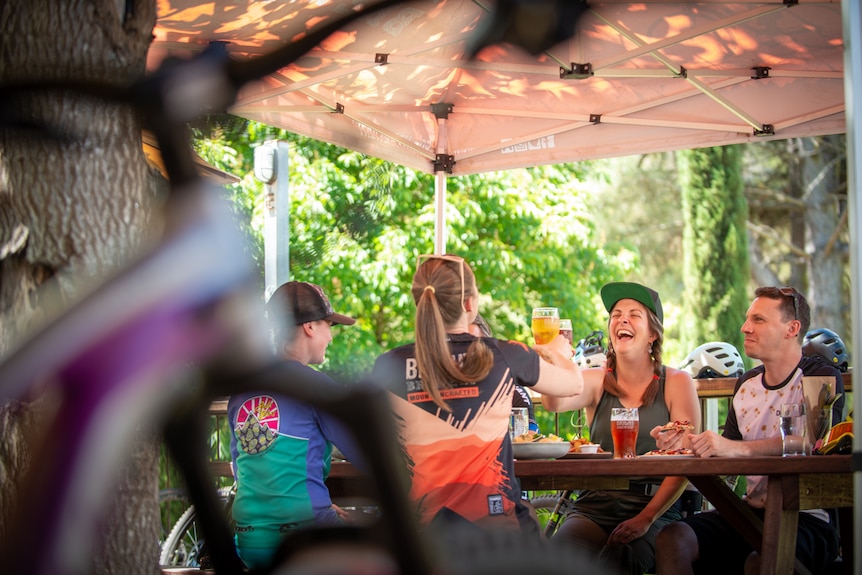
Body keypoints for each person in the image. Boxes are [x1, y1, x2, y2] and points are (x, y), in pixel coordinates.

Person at [371, 253, 583, 535]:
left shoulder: (388, 365)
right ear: (470, 304)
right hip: (494, 531)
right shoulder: (506, 354)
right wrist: (559, 352)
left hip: (418, 535)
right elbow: (573, 384)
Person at [654, 286, 845, 575]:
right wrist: (688, 444)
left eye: (759, 320)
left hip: (808, 518)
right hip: (749, 515)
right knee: (672, 538)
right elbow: (726, 462)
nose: (745, 328)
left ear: (791, 329)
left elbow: (812, 442)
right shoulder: (746, 384)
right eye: (747, 319)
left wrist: (735, 448)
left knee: (762, 562)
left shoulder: (820, 375)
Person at [541, 281, 700, 575]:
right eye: (616, 314)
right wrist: (553, 356)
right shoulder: (594, 379)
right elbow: (551, 402)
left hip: (655, 507)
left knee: (620, 560)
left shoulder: (677, 382)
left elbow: (684, 462)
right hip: (594, 507)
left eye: (634, 314)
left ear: (653, 333)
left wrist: (646, 518)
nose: (622, 319)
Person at [227, 281, 362, 570]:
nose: (331, 337)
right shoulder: (314, 387)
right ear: (310, 327)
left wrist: (320, 504)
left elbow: (240, 467)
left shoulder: (241, 391)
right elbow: (366, 454)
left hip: (249, 540)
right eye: (330, 326)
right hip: (304, 538)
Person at [468, 312, 540, 434]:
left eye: (476, 344)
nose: (468, 351)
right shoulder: (439, 387)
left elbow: (530, 434)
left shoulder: (510, 388)